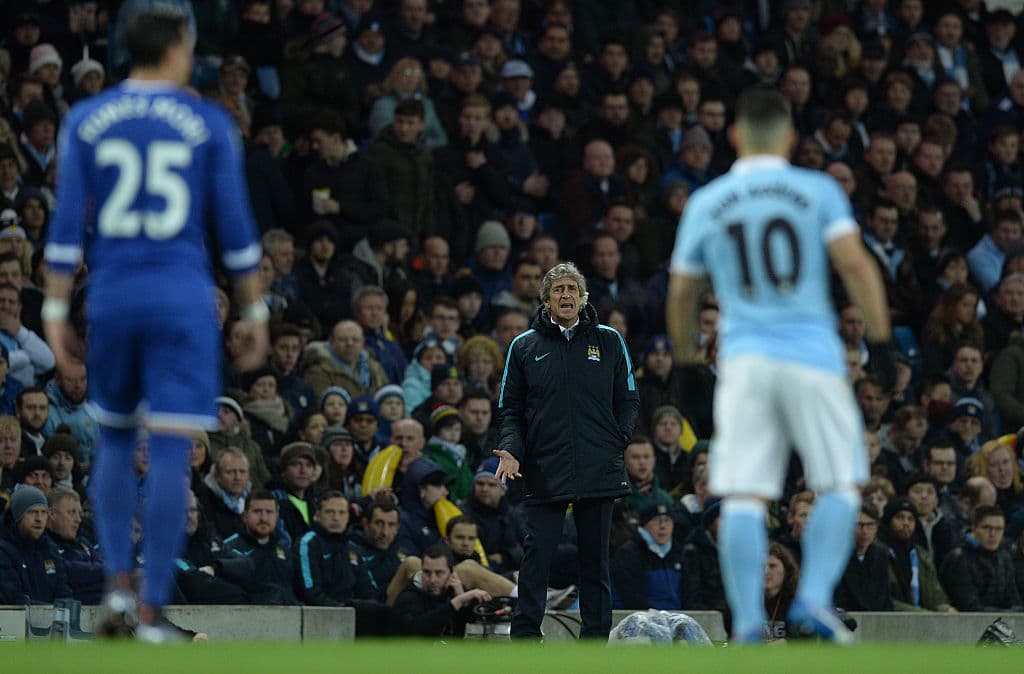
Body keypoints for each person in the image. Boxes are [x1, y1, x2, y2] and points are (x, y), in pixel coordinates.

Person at [42, 11, 269, 640]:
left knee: (115, 440)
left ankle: (116, 593)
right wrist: (252, 309)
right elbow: (238, 229)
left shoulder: (86, 119)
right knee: (170, 448)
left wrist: (55, 308)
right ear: (179, 48)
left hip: (111, 297)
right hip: (182, 298)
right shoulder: (207, 122)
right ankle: (150, 614)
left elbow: (65, 230)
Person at [665, 87, 895, 644]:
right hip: (812, 354)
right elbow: (855, 264)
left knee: (743, 494)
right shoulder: (816, 190)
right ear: (792, 139)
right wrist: (882, 343)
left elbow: (682, 292)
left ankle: (746, 622)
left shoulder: (708, 201)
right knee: (840, 485)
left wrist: (688, 361)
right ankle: (814, 596)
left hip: (744, 361)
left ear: (736, 136)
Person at [494, 261, 640, 640]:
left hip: (598, 467)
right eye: (558, 290)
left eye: (572, 289)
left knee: (595, 564)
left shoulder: (608, 340)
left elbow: (628, 399)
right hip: (544, 467)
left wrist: (617, 440)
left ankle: (593, 647)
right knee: (536, 557)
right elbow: (509, 409)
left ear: (583, 297)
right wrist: (511, 451)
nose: (566, 296)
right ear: (545, 300)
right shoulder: (524, 346)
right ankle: (525, 641)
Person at [0, 483, 73, 604]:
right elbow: (14, 598)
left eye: (43, 512)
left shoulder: (50, 549)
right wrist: (52, 612)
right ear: (18, 516)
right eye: (32, 512)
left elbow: (63, 591)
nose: (39, 519)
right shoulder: (4, 551)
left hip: (52, 620)